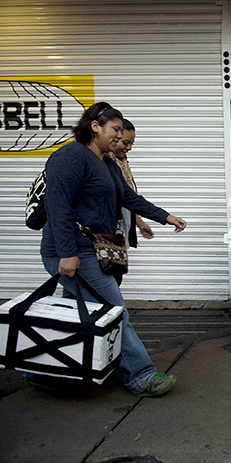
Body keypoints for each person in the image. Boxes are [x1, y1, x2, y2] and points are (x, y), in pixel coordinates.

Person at [36, 102, 187, 397]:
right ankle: (141, 376)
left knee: (76, 315)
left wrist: (164, 216)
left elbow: (129, 197)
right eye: (115, 130)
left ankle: (44, 370)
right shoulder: (70, 157)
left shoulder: (104, 161)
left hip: (92, 250)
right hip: (76, 251)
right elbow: (58, 207)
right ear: (95, 126)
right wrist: (67, 253)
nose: (119, 137)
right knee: (115, 311)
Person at [107, 118, 154, 285]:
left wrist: (139, 223)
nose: (129, 148)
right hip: (106, 239)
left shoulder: (122, 164)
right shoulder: (104, 166)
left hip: (119, 236)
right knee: (108, 285)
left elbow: (127, 199)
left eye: (131, 143)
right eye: (126, 143)